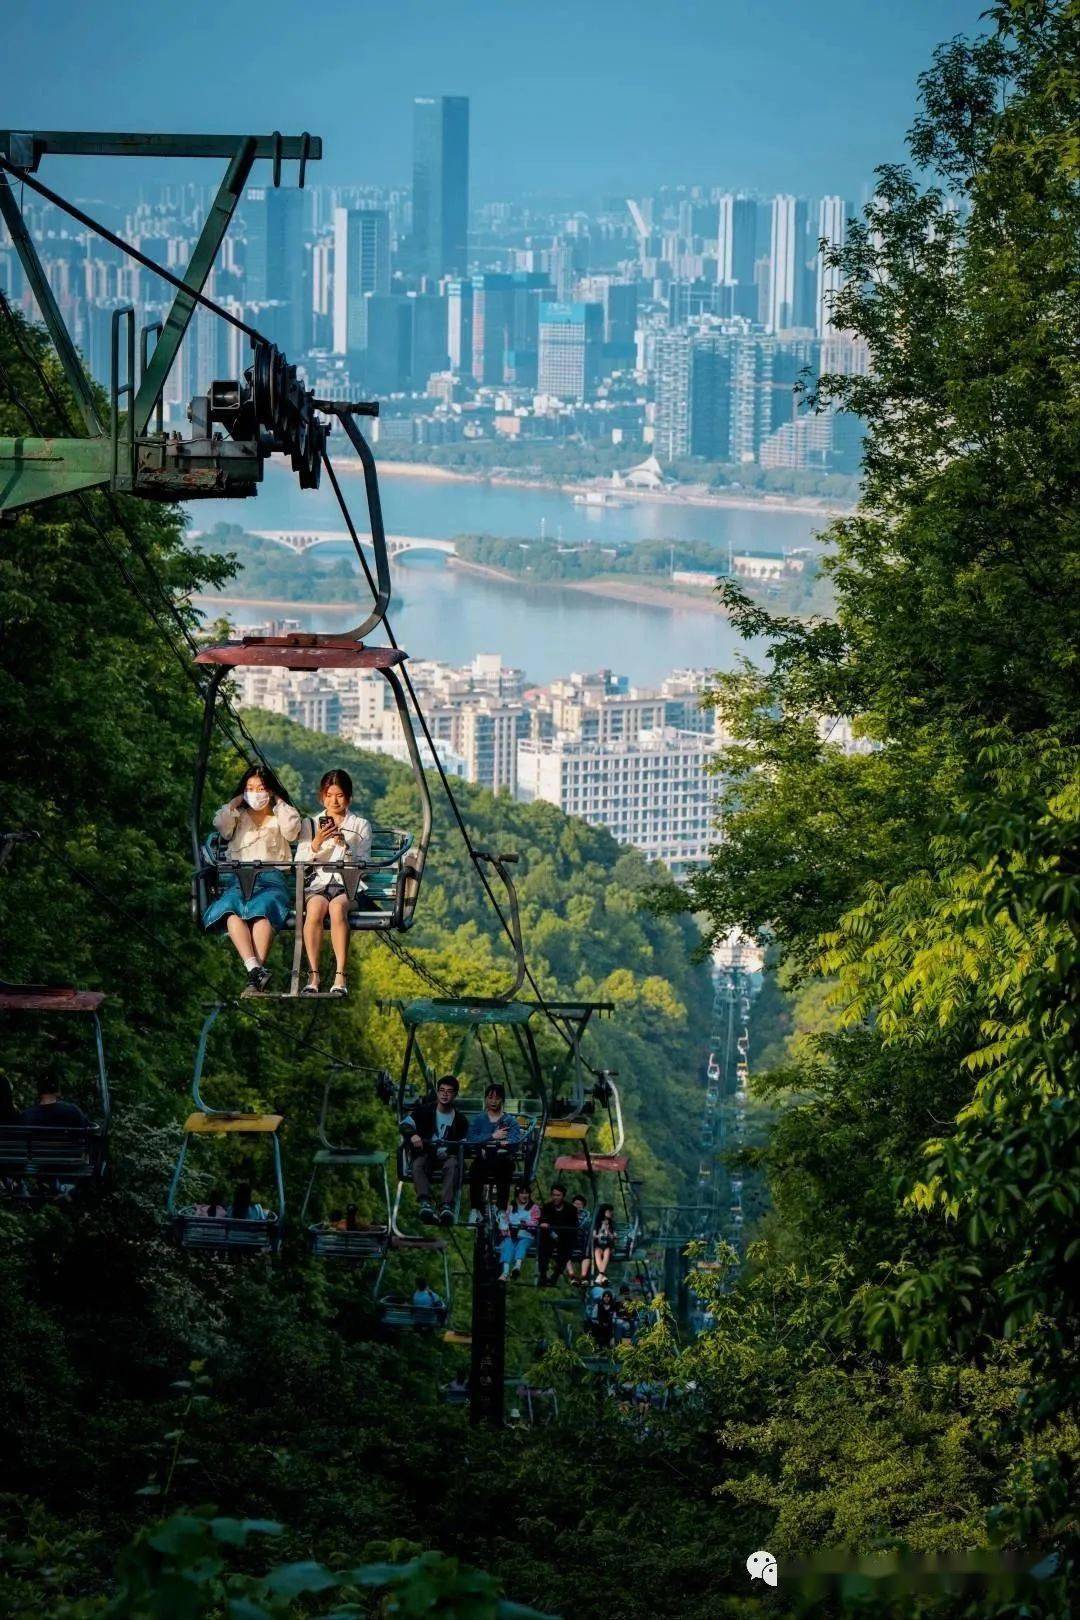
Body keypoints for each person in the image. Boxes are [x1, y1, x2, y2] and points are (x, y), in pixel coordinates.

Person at [202, 766, 301, 993]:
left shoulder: (280, 816)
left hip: (271, 880)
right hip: (241, 879)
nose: (255, 793)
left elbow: (292, 831)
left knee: (262, 910)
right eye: (250, 789)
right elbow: (220, 825)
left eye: (260, 788)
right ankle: (255, 970)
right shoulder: (239, 817)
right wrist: (236, 802)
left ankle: (254, 975)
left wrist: (277, 801)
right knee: (230, 909)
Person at [295, 769, 373, 999]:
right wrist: (317, 843)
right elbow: (299, 863)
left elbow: (365, 865)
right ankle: (314, 975)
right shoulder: (310, 824)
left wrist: (345, 847)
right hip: (319, 883)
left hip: (347, 884)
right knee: (316, 908)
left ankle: (340, 975)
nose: (334, 801)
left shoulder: (360, 825)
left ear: (348, 797)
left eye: (339, 795)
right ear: (322, 796)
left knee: (337, 907)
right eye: (329, 795)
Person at [399, 1075, 468, 1226]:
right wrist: (413, 1135)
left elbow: (464, 1144)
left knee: (452, 1164)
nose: (444, 1094)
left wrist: (451, 1149)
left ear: (455, 1095)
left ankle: (446, 1205)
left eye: (449, 1091)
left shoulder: (460, 1120)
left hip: (447, 1156)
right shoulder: (424, 1111)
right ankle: (425, 1202)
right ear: (437, 1093)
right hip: (427, 1153)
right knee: (418, 1164)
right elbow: (404, 1125)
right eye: (441, 1090)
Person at [466, 1083, 522, 1221]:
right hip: (483, 1160)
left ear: (502, 1100)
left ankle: (501, 1210)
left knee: (505, 1168)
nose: (493, 1101)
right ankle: (475, 1209)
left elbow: (514, 1141)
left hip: (501, 1161)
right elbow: (472, 1139)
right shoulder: (479, 1120)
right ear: (486, 1099)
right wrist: (493, 1137)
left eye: (497, 1098)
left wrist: (487, 1145)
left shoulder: (510, 1121)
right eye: (490, 1098)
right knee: (476, 1170)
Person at [537, 1183, 578, 1287]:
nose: (555, 1197)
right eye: (554, 1195)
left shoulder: (571, 1209)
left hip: (564, 1237)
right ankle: (542, 1275)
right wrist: (546, 1225)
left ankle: (555, 1275)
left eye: (558, 1195)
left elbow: (573, 1226)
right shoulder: (547, 1207)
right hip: (549, 1235)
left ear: (563, 1196)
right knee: (543, 1249)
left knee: (565, 1251)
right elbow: (542, 1221)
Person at [497, 1185, 541, 1281]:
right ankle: (505, 1273)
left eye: (526, 1193)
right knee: (507, 1245)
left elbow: (535, 1222)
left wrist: (525, 1224)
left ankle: (517, 1266)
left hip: (527, 1235)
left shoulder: (534, 1208)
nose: (524, 1195)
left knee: (522, 1245)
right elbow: (505, 1220)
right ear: (518, 1195)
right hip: (512, 1235)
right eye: (522, 1193)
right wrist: (504, 1228)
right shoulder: (511, 1207)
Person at [18, 1084, 89, 1129]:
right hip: (68, 1152)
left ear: (38, 1091)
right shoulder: (74, 1111)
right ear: (58, 1091)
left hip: (38, 1152)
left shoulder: (27, 1116)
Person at [567, 1192, 592, 1285]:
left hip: (582, 1239)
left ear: (583, 1206)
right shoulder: (567, 1214)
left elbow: (588, 1226)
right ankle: (572, 1275)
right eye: (575, 1204)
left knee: (587, 1251)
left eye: (579, 1204)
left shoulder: (586, 1216)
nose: (577, 1206)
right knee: (564, 1250)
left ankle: (583, 1276)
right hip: (569, 1239)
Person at [592, 1203, 617, 1286]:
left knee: (607, 1251)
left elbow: (614, 1237)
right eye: (609, 1211)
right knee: (597, 1252)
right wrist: (600, 1233)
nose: (611, 1213)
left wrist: (608, 1231)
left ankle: (600, 1275)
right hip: (598, 1245)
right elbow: (594, 1235)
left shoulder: (612, 1223)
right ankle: (603, 1277)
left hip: (608, 1245)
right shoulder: (597, 1222)